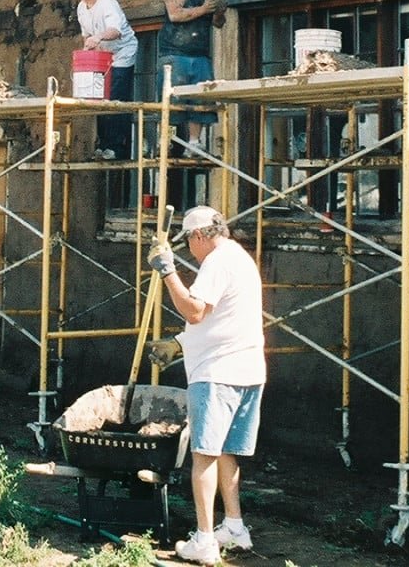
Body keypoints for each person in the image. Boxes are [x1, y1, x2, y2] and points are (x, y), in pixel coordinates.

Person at [148, 206, 266, 565]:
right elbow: (223, 321)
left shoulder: (217, 262)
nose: (190, 249)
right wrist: (180, 343)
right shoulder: (239, 258)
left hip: (218, 374)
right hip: (247, 370)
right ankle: (234, 527)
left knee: (203, 456)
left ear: (199, 236)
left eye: (189, 242)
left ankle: (204, 541)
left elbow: (195, 311)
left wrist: (167, 270)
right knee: (226, 451)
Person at [158, 0, 226, 154]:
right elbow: (175, 15)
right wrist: (203, 9)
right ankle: (167, 141)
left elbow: (218, 23)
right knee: (173, 100)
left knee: (200, 98)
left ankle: (194, 142)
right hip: (175, 53)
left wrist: (218, 12)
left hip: (200, 53)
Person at [74, 0, 139, 160]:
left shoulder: (108, 4)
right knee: (99, 97)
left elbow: (115, 31)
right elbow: (86, 34)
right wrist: (90, 48)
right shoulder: (81, 8)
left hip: (122, 52)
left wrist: (99, 37)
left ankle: (117, 147)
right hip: (102, 56)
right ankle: (103, 144)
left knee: (116, 96)